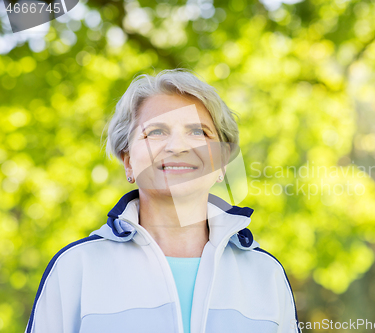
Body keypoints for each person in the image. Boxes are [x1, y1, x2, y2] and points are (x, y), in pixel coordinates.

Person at [25, 68, 301, 333]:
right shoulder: (75, 268)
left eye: (199, 132)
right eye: (155, 132)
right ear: (128, 161)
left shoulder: (266, 274)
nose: (178, 146)